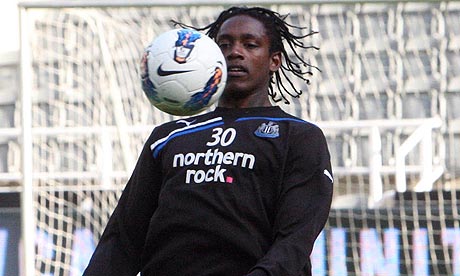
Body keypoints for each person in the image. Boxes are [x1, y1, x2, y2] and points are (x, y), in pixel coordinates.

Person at [83, 6, 333, 276]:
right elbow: (122, 238)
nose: (235, 52)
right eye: (224, 44)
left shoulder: (297, 135)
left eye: (250, 44)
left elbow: (296, 238)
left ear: (274, 60)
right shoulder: (168, 137)